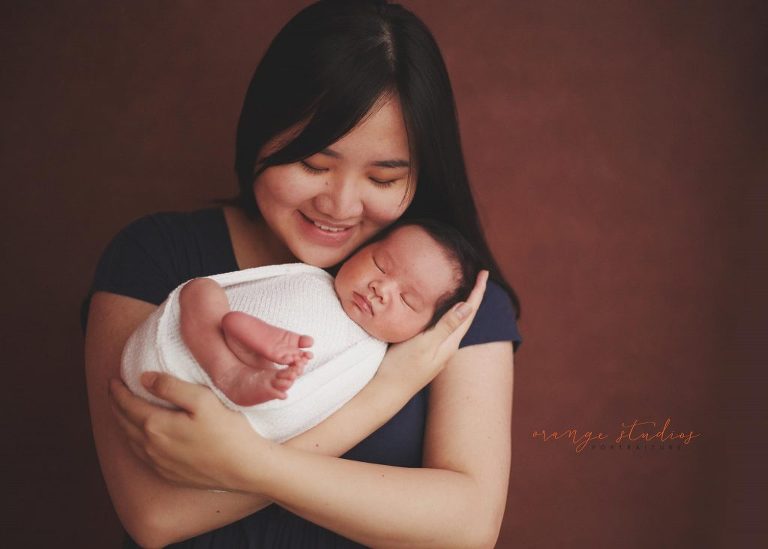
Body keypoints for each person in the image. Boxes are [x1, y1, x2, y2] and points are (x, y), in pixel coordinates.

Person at [83, 0, 522, 547]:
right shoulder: (157, 254)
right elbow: (156, 516)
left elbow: (468, 526)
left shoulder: (451, 301)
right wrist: (385, 392)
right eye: (314, 164)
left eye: (383, 179)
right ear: (260, 134)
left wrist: (249, 463)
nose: (340, 205)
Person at [122, 220, 481, 443]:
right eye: (379, 264)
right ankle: (235, 349)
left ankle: (241, 361)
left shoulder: (367, 360)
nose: (381, 288)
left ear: (424, 330)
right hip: (162, 351)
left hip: (214, 409)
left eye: (407, 299)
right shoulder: (312, 276)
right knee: (200, 289)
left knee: (275, 369)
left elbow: (305, 410)